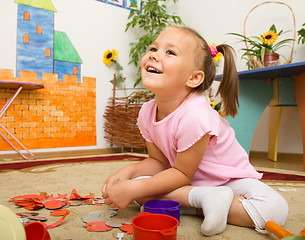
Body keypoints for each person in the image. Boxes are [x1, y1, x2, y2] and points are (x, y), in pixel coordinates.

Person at [102, 26, 289, 236]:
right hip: (189, 181)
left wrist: (135, 188)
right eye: (153, 48)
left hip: (230, 180)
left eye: (170, 52)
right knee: (138, 189)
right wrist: (127, 173)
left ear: (193, 78)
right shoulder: (146, 112)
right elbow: (160, 162)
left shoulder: (196, 114)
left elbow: (181, 173)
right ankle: (206, 199)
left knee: (275, 209)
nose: (154, 55)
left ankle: (201, 201)